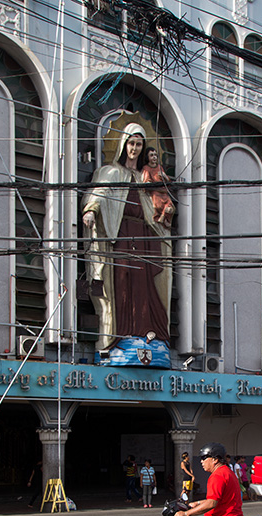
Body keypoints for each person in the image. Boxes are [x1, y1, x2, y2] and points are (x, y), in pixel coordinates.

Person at [81, 119, 173, 351]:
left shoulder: (146, 177)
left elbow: (159, 200)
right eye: (131, 143)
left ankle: (146, 332)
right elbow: (99, 192)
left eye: (139, 145)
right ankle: (120, 334)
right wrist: (91, 210)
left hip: (143, 234)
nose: (134, 149)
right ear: (123, 144)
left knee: (144, 284)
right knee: (121, 282)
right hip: (119, 234)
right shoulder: (111, 172)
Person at [141, 146, 176, 226]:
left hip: (164, 192)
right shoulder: (146, 168)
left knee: (171, 208)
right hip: (156, 193)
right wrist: (149, 184)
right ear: (147, 157)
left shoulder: (159, 167)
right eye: (151, 155)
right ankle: (163, 219)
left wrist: (165, 177)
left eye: (155, 155)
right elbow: (147, 179)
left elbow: (167, 181)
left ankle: (165, 219)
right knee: (159, 206)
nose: (154, 157)